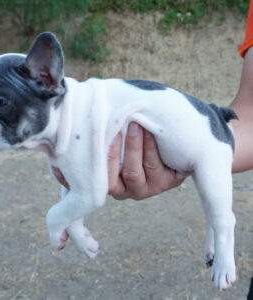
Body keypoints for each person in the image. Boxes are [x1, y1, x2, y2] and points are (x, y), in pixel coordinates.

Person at [53, 2, 253, 297]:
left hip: (204, 133)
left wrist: (57, 219)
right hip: (200, 132)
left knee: (218, 210)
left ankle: (221, 246)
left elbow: (89, 193)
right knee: (213, 195)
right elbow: (250, 114)